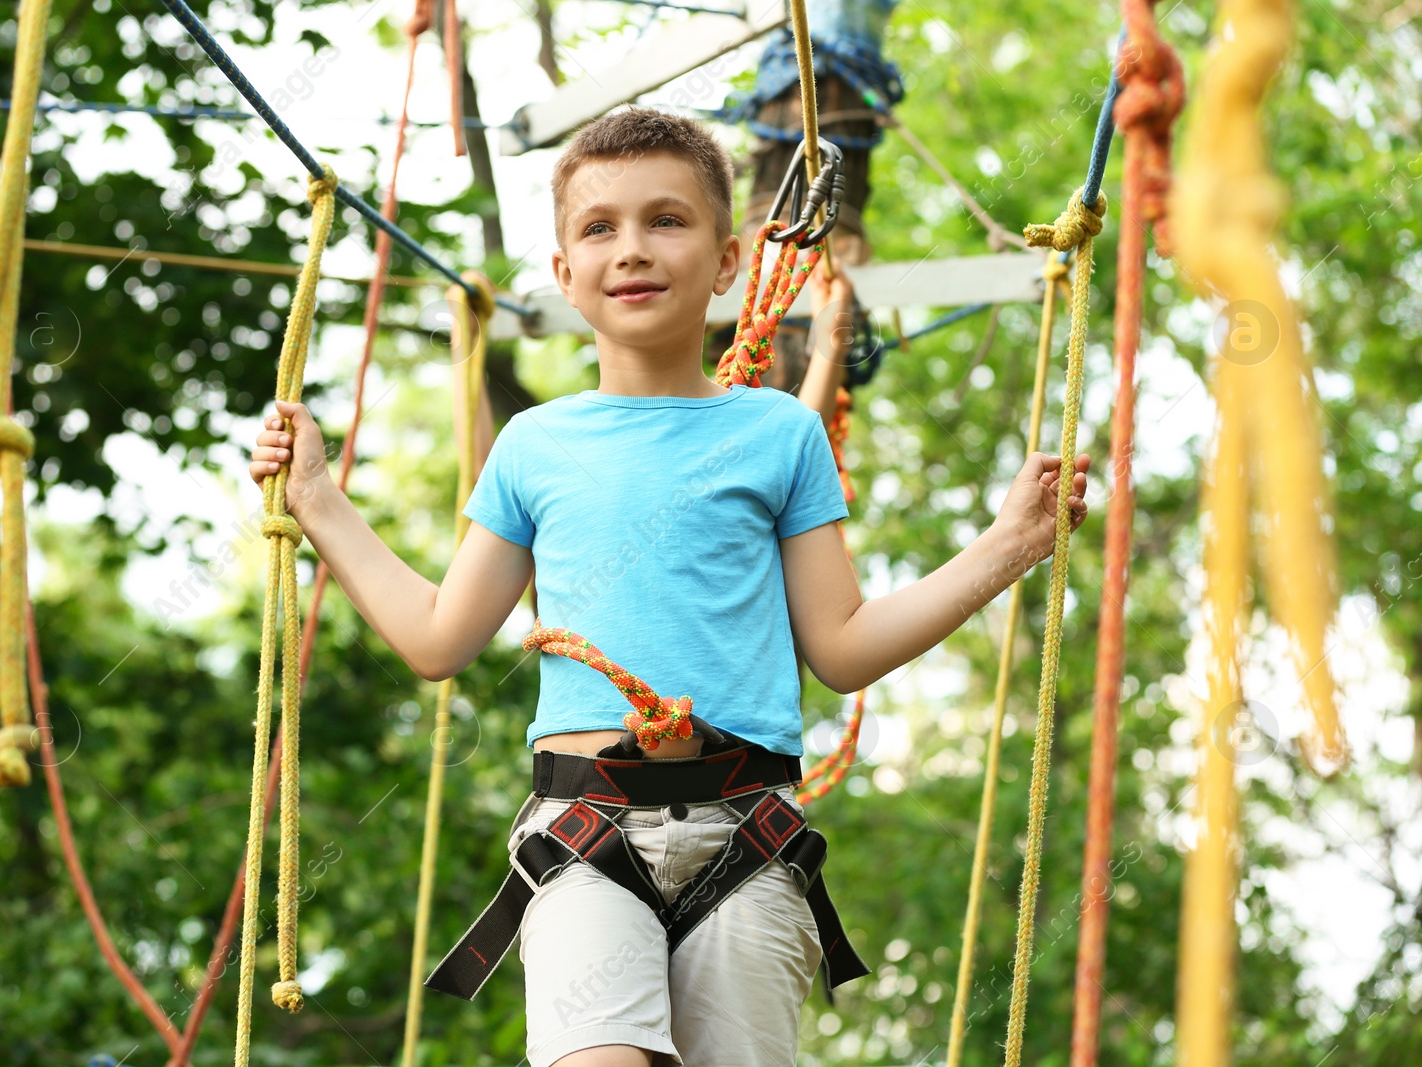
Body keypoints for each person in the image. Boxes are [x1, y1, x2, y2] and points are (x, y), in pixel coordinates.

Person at [248, 107, 1089, 1067]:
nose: (633, 249)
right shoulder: (536, 446)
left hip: (748, 836)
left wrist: (1008, 545)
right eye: (599, 228)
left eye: (667, 221)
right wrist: (317, 499)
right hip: (583, 832)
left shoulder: (780, 434)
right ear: (565, 275)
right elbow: (440, 638)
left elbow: (844, 646)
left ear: (727, 260)